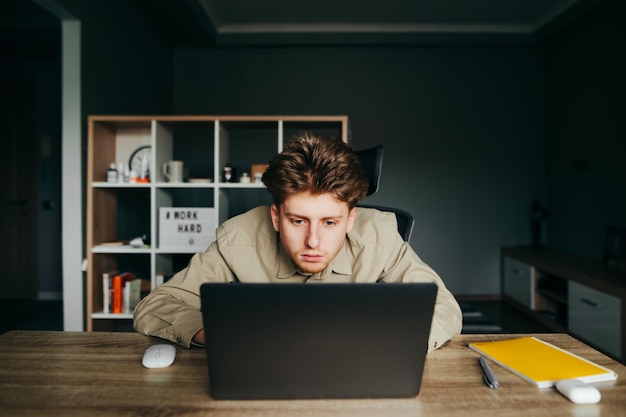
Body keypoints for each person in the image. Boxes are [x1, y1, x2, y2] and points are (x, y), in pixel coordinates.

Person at [134, 132, 462, 351]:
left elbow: (445, 309)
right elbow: (156, 306)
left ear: (350, 219)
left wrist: (387, 342)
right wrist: (219, 335)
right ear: (277, 218)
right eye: (298, 221)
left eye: (330, 222)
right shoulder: (238, 237)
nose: (313, 241)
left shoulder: (381, 235)